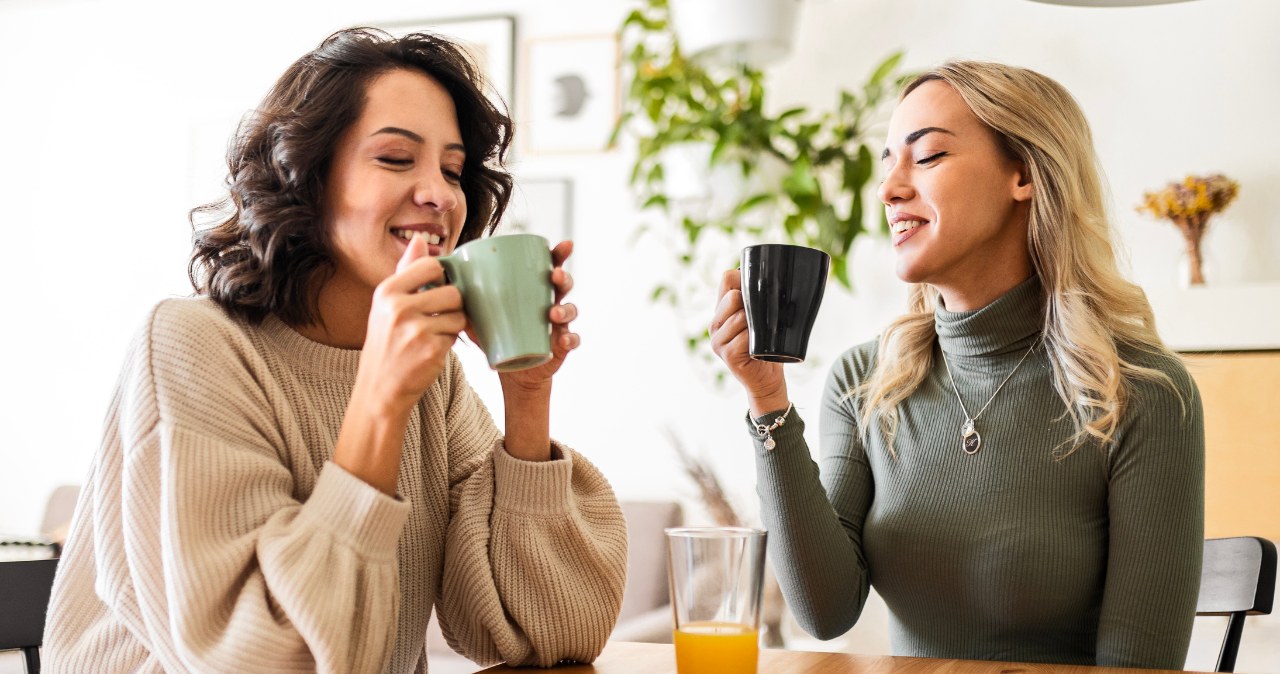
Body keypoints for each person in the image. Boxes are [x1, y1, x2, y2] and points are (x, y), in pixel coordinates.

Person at [44, 28, 627, 674]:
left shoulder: (433, 379)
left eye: (453, 169)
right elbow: (264, 662)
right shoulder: (193, 347)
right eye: (397, 159)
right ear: (308, 176)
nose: (439, 193)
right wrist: (379, 402)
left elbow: (544, 631)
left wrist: (527, 393)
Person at [709, 60, 1204, 668]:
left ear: (1022, 174)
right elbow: (823, 611)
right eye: (889, 161)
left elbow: (1139, 666)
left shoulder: (1141, 392)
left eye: (928, 156)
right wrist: (767, 400)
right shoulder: (865, 382)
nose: (889, 187)